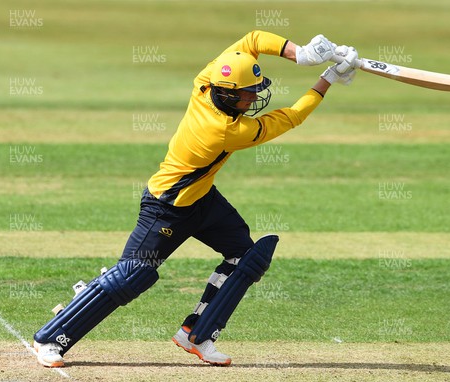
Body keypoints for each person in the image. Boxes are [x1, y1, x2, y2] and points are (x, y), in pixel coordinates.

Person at [33, 30, 358, 367]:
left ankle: (197, 334)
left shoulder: (207, 81)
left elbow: (253, 39)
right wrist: (328, 77)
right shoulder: (227, 131)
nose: (253, 99)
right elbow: (291, 117)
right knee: (132, 276)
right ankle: (52, 338)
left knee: (246, 257)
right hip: (167, 209)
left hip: (203, 201)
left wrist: (299, 53)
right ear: (229, 97)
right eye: (249, 95)